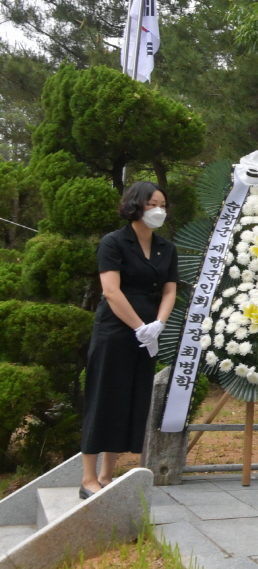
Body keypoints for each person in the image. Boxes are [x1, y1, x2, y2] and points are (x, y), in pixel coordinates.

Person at [80, 182, 177, 499]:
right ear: (136, 205)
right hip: (116, 330)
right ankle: (88, 478)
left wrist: (158, 324)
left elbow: (170, 289)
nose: (158, 210)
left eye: (162, 204)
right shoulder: (114, 242)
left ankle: (107, 475)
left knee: (130, 399)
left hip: (148, 334)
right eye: (152, 204)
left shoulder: (166, 248)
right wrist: (139, 327)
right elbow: (111, 291)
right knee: (104, 397)